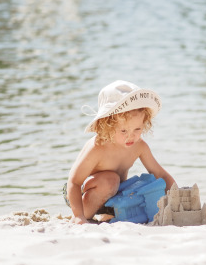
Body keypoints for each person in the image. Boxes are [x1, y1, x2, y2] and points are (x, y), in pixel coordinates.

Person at [64, 80, 175, 224]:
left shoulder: (139, 146)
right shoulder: (98, 147)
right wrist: (78, 215)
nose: (131, 136)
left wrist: (178, 194)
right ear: (108, 125)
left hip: (112, 194)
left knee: (149, 183)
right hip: (79, 192)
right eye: (124, 131)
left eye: (137, 129)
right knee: (111, 180)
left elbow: (160, 174)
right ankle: (86, 213)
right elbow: (74, 181)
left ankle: (107, 212)